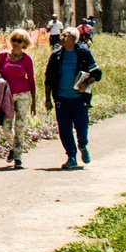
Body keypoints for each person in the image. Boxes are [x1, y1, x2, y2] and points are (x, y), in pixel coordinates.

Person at [45, 26, 103, 170]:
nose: (61, 37)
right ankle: (71, 156)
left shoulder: (83, 52)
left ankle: (82, 145)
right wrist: (47, 99)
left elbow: (97, 73)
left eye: (65, 35)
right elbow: (48, 78)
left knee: (82, 126)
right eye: (62, 35)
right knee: (64, 129)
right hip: (61, 98)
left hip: (79, 98)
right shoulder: (56, 55)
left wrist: (86, 83)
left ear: (73, 39)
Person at [0, 29, 39, 168]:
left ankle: (18, 158)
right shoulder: (3, 56)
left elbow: (31, 80)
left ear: (24, 43)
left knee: (20, 126)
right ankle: (14, 146)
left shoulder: (27, 59)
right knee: (6, 127)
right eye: (14, 40)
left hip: (23, 95)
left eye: (19, 41)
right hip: (7, 96)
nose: (16, 43)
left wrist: (34, 103)